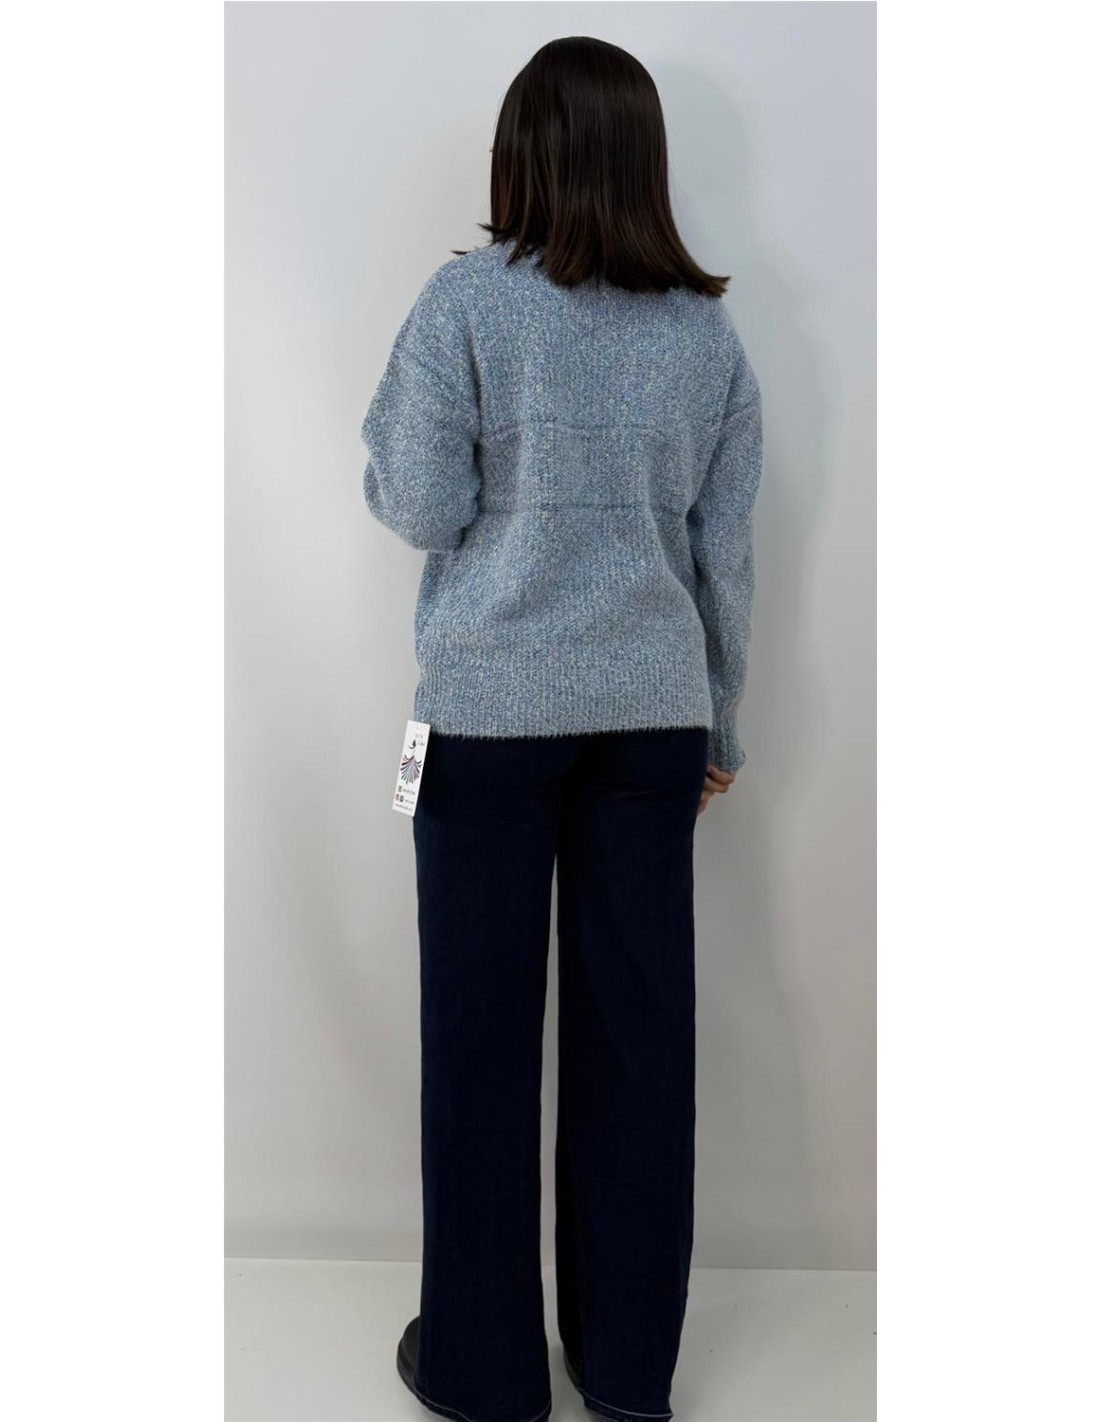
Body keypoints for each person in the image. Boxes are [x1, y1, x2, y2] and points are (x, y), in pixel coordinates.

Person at [360, 35, 763, 1422]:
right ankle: (629, 1367)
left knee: (480, 1043)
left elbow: (421, 503)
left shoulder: (466, 305)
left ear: (519, 157)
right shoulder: (706, 336)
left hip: (488, 722)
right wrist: (722, 724)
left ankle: (483, 1372)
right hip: (652, 722)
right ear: (646, 161)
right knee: (638, 1044)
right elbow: (725, 557)